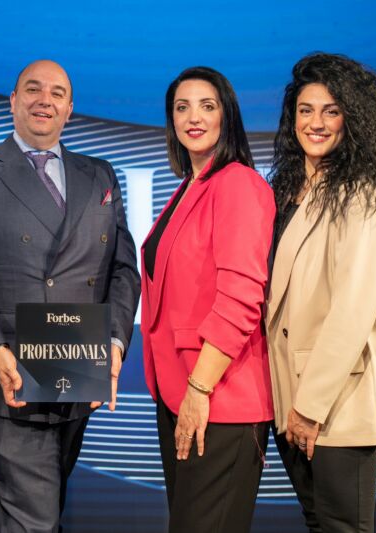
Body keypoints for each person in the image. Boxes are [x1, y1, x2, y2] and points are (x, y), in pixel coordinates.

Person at [0, 59, 140, 532]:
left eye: (57, 93)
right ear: (13, 101)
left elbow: (123, 269)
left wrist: (115, 344)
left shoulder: (100, 174)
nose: (44, 100)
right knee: (34, 519)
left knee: (40, 511)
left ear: (70, 109)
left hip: (77, 368)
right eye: (33, 89)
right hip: (8, 375)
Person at [266, 53, 376, 532]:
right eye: (306, 110)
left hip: (333, 402)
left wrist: (310, 407)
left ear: (352, 120)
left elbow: (353, 309)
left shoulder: (363, 197)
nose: (316, 122)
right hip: (288, 398)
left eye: (331, 111)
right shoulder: (287, 193)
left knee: (342, 527)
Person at [140, 66, 275, 533]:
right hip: (179, 393)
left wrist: (199, 390)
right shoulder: (189, 188)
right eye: (182, 107)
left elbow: (241, 297)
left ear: (227, 116)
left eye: (207, 106)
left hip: (219, 397)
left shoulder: (238, 184)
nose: (193, 117)